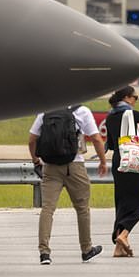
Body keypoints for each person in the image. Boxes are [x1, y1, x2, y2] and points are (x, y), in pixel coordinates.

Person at [28, 105, 107, 265]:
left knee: (47, 209)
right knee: (82, 208)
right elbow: (97, 138)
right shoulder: (82, 111)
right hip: (75, 165)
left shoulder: (45, 111)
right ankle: (86, 249)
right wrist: (103, 161)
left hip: (50, 166)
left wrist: (36, 161)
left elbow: (32, 139)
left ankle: (44, 252)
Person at [105, 86, 139, 257]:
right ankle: (124, 234)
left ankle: (118, 248)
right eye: (135, 97)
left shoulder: (110, 115)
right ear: (127, 98)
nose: (136, 100)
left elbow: (112, 144)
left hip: (117, 161)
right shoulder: (131, 114)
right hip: (133, 161)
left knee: (122, 202)